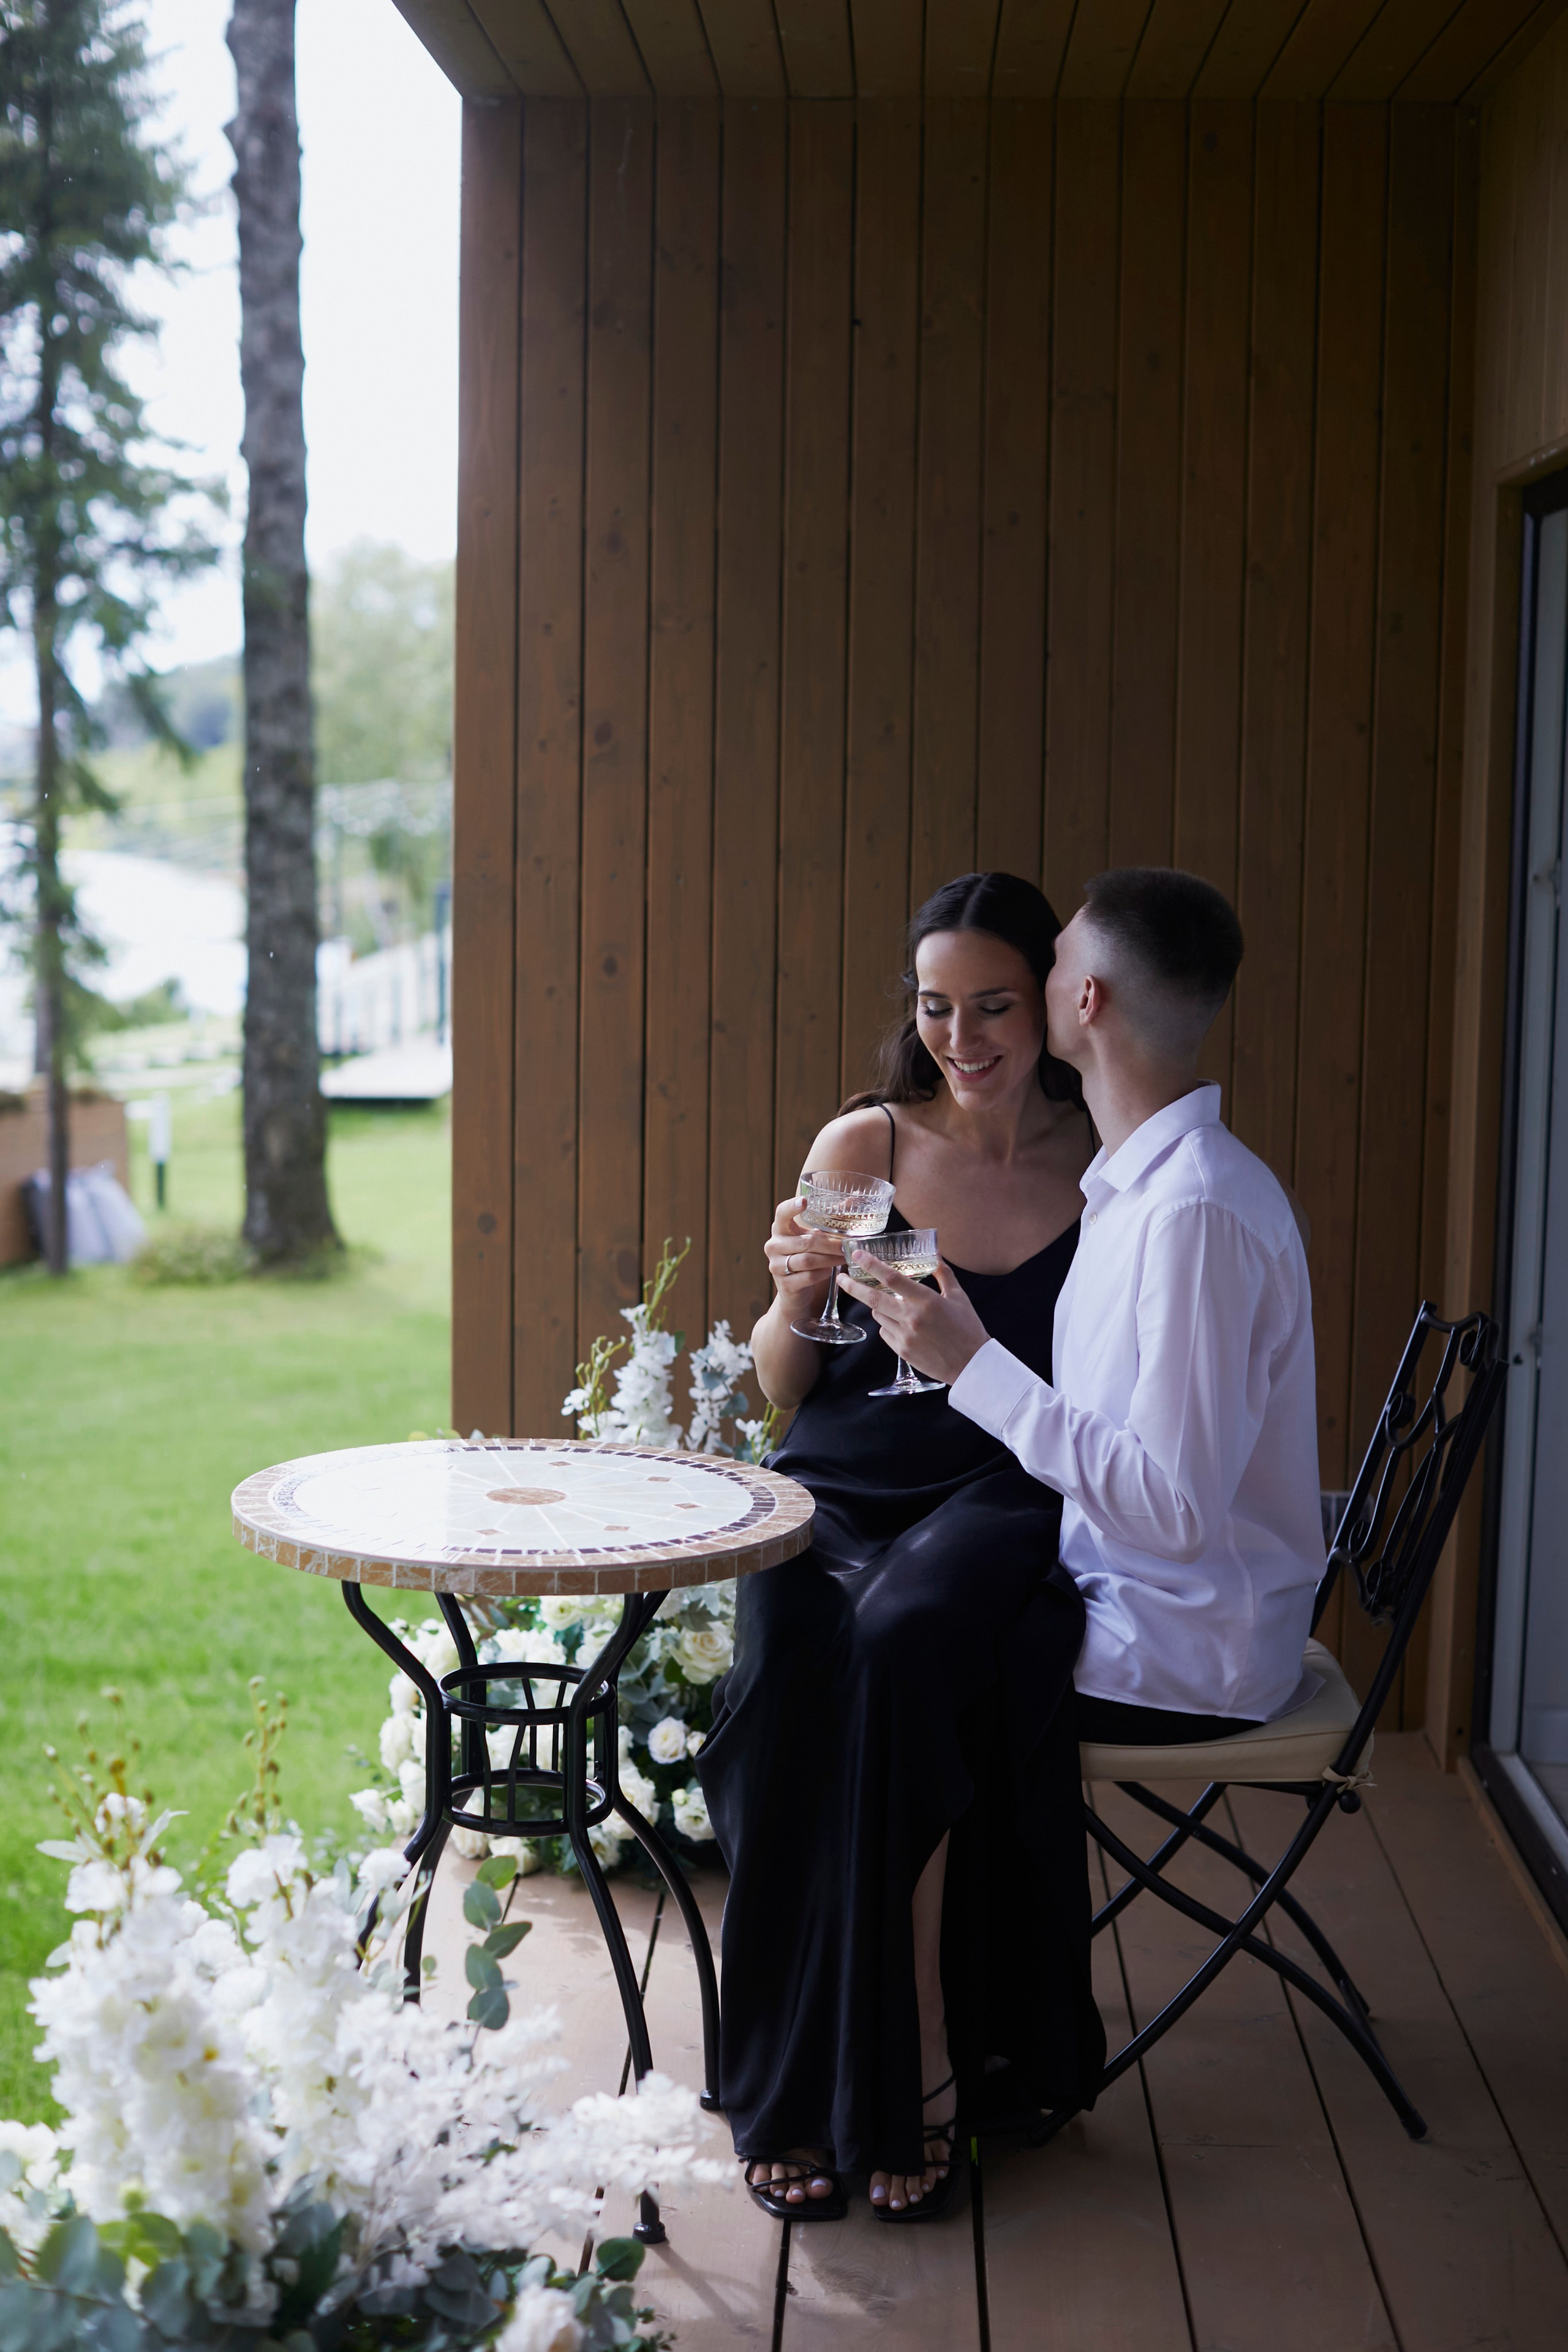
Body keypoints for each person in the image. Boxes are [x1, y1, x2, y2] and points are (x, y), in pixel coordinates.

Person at [697, 872, 1107, 2225]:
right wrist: (792, 1298)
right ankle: (789, 2081)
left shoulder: (1103, 1163)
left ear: (1052, 1002)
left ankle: (917, 2043)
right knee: (786, 1665)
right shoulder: (864, 1144)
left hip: (998, 1486)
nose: (960, 1037)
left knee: (903, 1648)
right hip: (836, 1482)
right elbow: (788, 1388)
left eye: (992, 1006)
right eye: (936, 1006)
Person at [840, 865, 1325, 1774]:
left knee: (894, 1655)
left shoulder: (1194, 1212)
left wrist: (971, 1364)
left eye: (1054, 960)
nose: (1042, 975)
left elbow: (1175, 1513)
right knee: (875, 1619)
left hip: (1174, 1653)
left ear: (1086, 998)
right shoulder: (1133, 1185)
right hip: (1118, 1593)